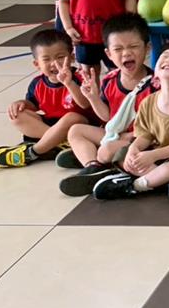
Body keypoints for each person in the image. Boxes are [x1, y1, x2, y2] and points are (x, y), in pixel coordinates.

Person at [92, 41, 169, 203]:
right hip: (154, 154)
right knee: (123, 154)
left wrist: (155, 155)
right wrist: (134, 149)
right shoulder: (148, 101)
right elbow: (145, 134)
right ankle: (164, 180)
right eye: (165, 55)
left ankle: (135, 186)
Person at [59, 13, 157, 195]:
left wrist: (130, 138)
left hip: (143, 141)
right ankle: (93, 167)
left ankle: (106, 167)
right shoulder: (109, 80)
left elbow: (159, 126)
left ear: (147, 48)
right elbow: (107, 117)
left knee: (110, 150)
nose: (126, 53)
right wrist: (93, 98)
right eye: (118, 49)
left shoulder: (155, 84)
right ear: (109, 54)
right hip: (116, 134)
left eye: (133, 46)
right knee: (76, 131)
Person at [0, 29, 92, 168]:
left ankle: (33, 152)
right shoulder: (37, 83)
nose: (54, 63)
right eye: (46, 59)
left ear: (72, 57)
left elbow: (85, 104)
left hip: (79, 125)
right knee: (17, 115)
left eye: (60, 57)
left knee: (72, 117)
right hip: (49, 126)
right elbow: (33, 105)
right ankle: (58, 144)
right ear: (37, 64)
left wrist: (69, 83)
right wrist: (21, 103)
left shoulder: (80, 77)